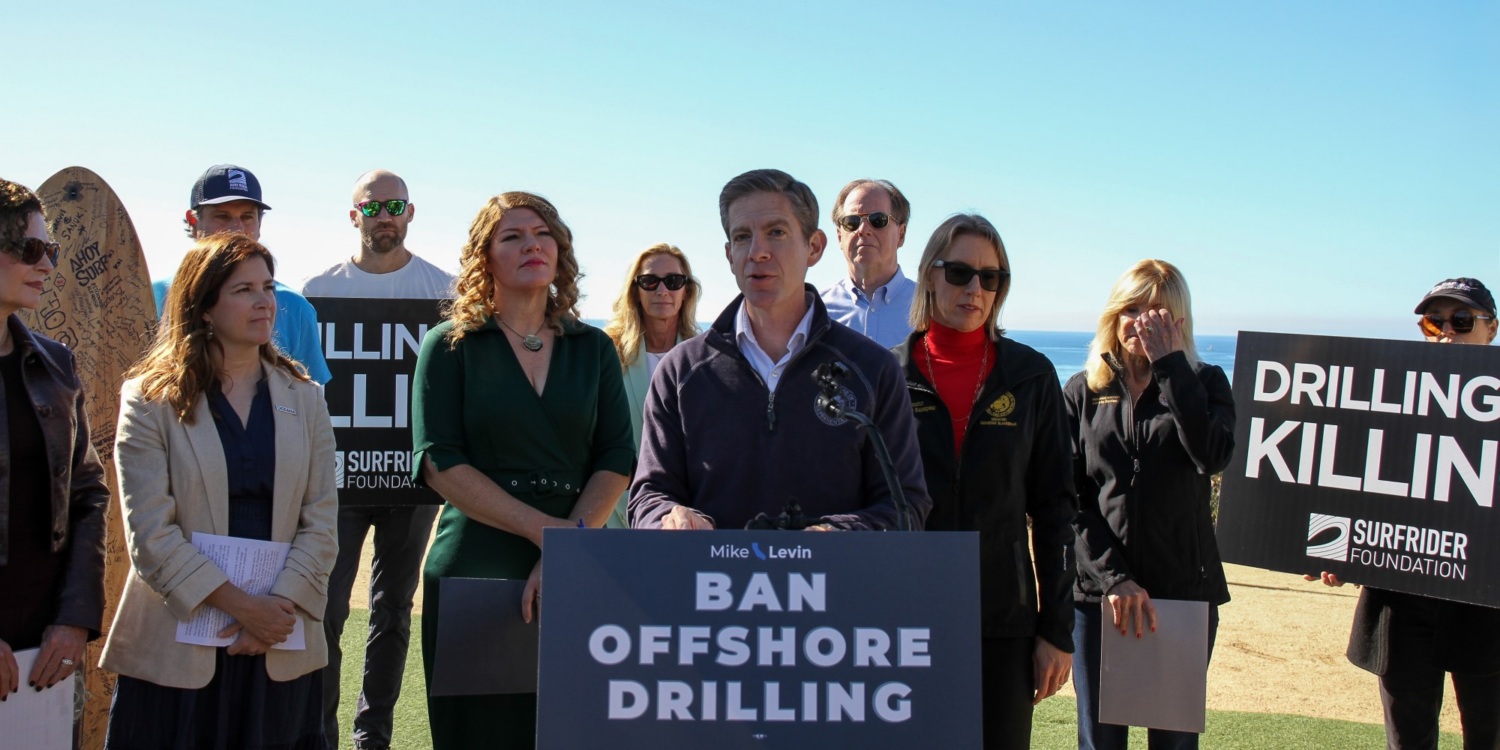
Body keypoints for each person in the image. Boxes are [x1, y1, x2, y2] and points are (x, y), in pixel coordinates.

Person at [411, 192, 634, 749]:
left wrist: (568, 552)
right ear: (484, 257)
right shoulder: (449, 346)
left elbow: (616, 457)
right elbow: (439, 462)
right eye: (512, 236)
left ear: (560, 250)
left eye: (542, 233)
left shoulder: (595, 349)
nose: (532, 244)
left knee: (579, 731)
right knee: (482, 736)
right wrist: (552, 540)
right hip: (477, 565)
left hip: (580, 563)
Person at [103, 233, 337, 749]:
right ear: (204, 306)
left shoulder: (306, 399)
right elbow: (149, 532)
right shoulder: (149, 399)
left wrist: (276, 610)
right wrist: (239, 606)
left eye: (268, 287)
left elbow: (320, 522)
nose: (264, 301)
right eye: (243, 289)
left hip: (280, 639)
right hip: (177, 646)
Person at [630, 168, 930, 531]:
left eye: (776, 232)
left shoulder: (874, 370)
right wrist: (667, 519)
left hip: (834, 586)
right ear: (729, 254)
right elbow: (648, 495)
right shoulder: (680, 371)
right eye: (743, 237)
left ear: (814, 247)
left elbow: (906, 505)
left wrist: (837, 536)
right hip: (711, 586)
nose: (758, 252)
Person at [893, 214, 1076, 748]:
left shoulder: (1032, 376)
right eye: (959, 272)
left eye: (990, 277)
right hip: (905, 619)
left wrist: (1055, 630)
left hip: (1003, 621)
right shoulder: (889, 374)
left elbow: (1056, 510)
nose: (975, 288)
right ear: (930, 275)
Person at [1309, 277, 1498, 749]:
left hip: (1487, 602)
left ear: (1491, 329)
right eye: (1435, 323)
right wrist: (1338, 551)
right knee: (1407, 738)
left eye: (1461, 321)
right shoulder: (1391, 397)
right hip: (1402, 596)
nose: (1446, 334)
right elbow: (1355, 483)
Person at [302, 169, 453, 750]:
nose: (383, 216)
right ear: (354, 215)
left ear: (410, 213)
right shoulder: (318, 290)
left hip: (412, 483)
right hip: (337, 480)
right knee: (328, 608)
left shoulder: (446, 290)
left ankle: (374, 738)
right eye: (372, 207)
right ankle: (320, 734)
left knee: (392, 610)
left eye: (394, 206)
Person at [1064, 259, 1235, 750]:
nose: (1141, 321)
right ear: (1113, 316)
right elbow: (1070, 498)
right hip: (1101, 597)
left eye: (1157, 312)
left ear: (1178, 321)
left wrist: (1171, 369)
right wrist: (1114, 578)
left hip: (1182, 596)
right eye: (1132, 309)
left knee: (1174, 744)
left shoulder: (1204, 384)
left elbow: (1212, 454)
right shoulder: (1082, 392)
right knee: (1099, 741)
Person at [0, 178, 108, 704]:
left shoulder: (55, 363)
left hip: (44, 650)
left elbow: (89, 491)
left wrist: (74, 618)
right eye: (32, 249)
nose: (47, 265)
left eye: (53, 250)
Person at [153, 164, 332, 385]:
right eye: (222, 216)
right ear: (193, 222)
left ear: (260, 223)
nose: (237, 228)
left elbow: (311, 404)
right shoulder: (151, 297)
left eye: (247, 217)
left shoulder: (293, 307)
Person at [601, 243, 700, 528]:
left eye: (673, 281)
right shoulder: (606, 353)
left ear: (686, 291)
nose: (662, 291)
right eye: (649, 281)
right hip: (611, 513)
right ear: (635, 290)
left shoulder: (707, 358)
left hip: (685, 519)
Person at [819, 178, 916, 348]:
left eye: (878, 220)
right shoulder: (817, 312)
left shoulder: (930, 309)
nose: (863, 230)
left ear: (901, 234)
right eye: (852, 222)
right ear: (839, 236)